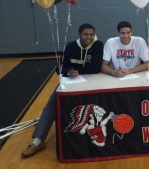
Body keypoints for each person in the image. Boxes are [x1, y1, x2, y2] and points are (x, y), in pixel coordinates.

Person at [21, 23, 103, 157]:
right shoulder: (71, 46)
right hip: (71, 82)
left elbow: (96, 68)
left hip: (92, 82)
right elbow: (59, 69)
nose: (89, 37)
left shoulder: (98, 45)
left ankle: (92, 136)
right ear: (79, 35)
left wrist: (76, 70)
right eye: (85, 34)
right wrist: (69, 72)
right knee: (51, 104)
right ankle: (38, 141)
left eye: (91, 34)